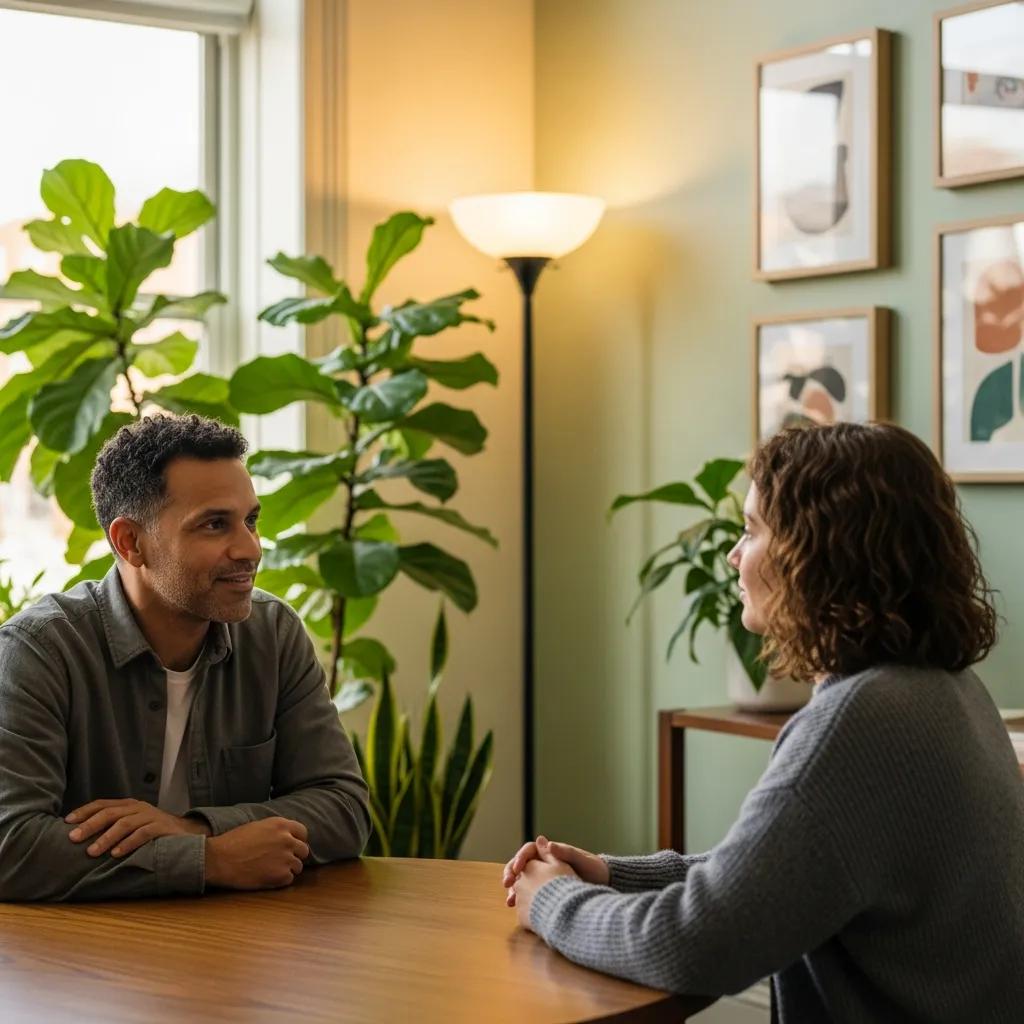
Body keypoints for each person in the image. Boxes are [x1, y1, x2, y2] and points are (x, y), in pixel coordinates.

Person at [503, 422, 1024, 1022]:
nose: (732, 554)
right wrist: (613, 873)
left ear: (817, 553)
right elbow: (785, 875)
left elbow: (694, 946)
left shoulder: (862, 722)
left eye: (751, 531)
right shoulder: (948, 691)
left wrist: (552, 900)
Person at [0, 414, 371, 901]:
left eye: (251, 520)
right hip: (82, 965)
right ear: (130, 542)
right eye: (215, 525)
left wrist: (192, 829)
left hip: (233, 951)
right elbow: (11, 846)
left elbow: (344, 807)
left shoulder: (274, 634)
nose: (250, 548)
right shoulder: (38, 651)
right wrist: (211, 860)